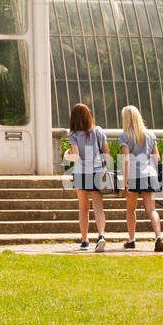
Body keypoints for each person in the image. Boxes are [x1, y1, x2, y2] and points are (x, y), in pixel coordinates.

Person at [65, 103, 112, 252]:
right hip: (98, 172)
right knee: (98, 207)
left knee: (83, 208)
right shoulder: (98, 131)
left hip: (81, 173)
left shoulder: (73, 135)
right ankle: (101, 236)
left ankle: (85, 241)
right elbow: (107, 154)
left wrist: (67, 156)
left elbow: (76, 156)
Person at [119, 105, 163, 251]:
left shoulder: (125, 136)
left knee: (131, 209)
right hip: (149, 174)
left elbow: (126, 159)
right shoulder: (150, 134)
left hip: (133, 176)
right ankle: (158, 237)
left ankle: (131, 239)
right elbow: (157, 158)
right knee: (152, 209)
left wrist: (125, 181)